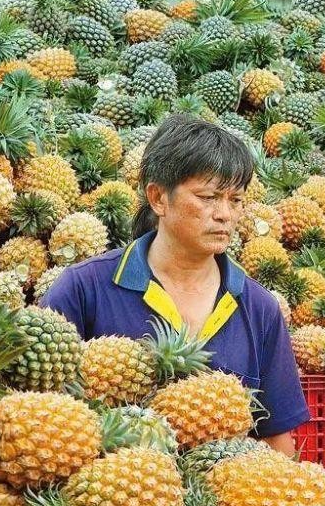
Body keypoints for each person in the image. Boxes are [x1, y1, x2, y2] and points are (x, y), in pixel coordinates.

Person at [40, 114, 308, 455]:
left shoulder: (259, 308)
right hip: (115, 494)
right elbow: (41, 415)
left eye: (236, 200)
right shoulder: (83, 289)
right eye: (209, 197)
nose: (225, 214)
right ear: (158, 198)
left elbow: (275, 437)